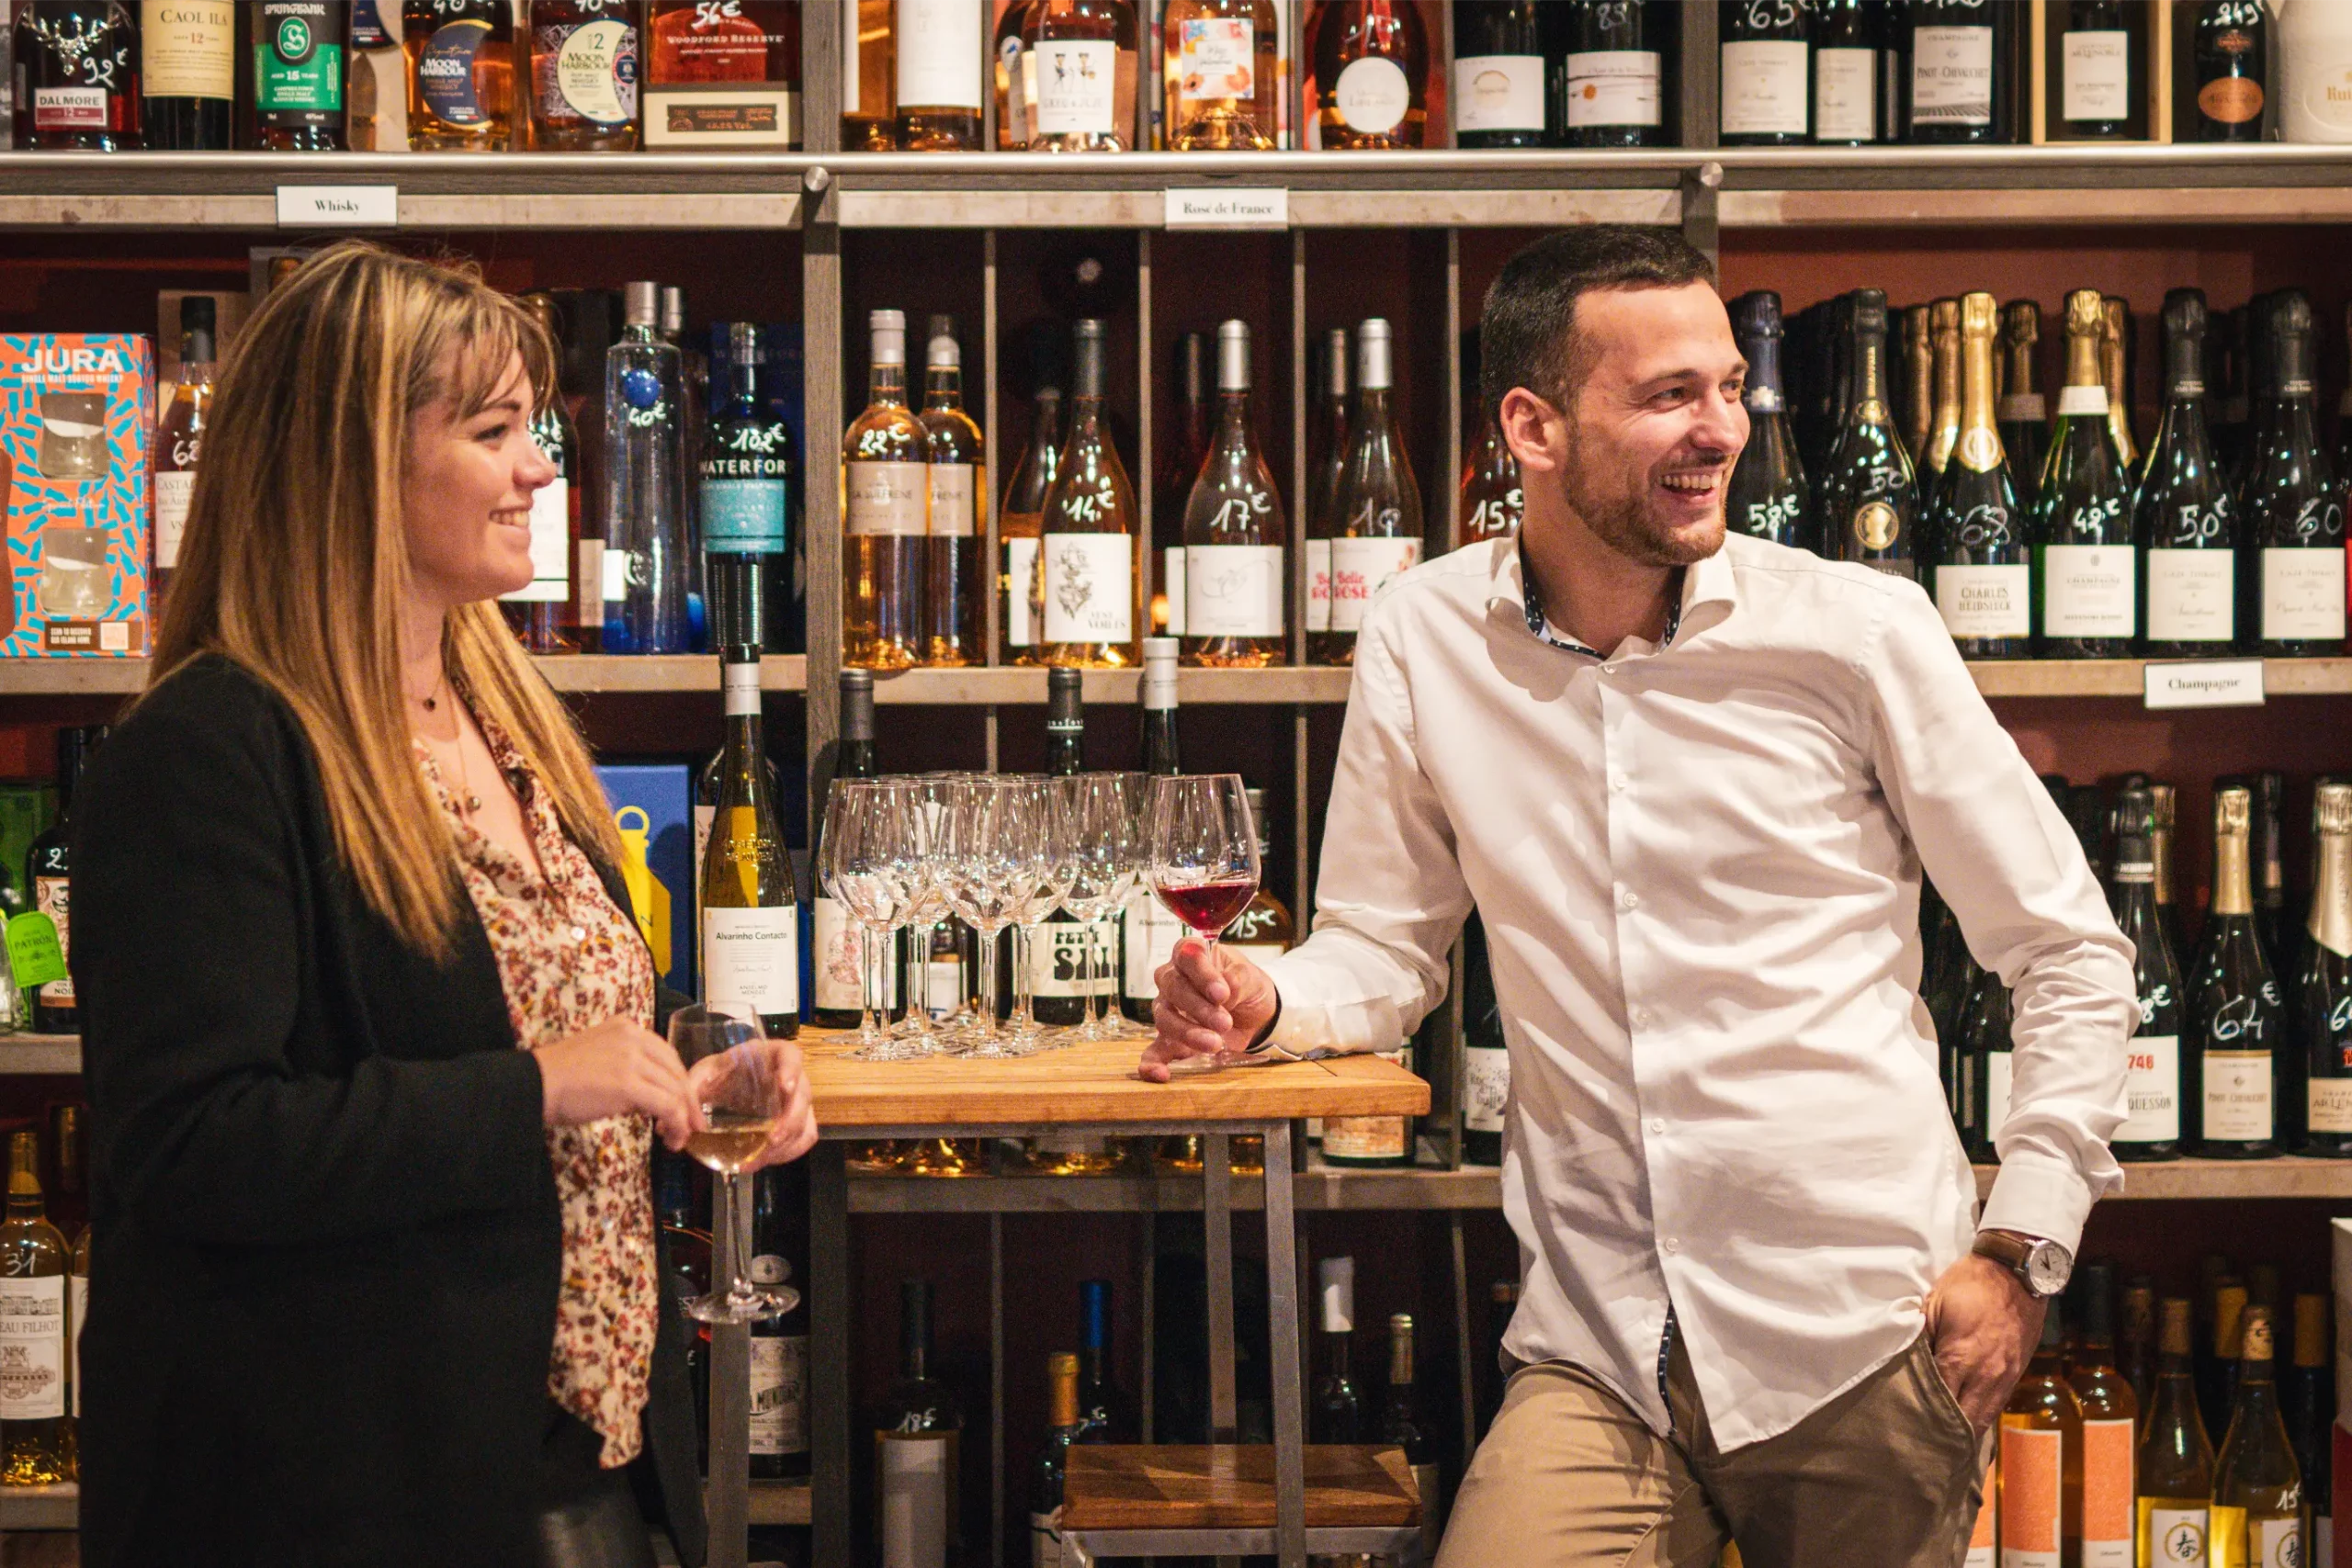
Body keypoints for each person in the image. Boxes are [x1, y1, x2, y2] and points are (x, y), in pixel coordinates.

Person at [1144, 228, 2134, 1567]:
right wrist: (1266, 998)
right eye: (1670, 395)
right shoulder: (1424, 636)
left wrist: (2022, 1251)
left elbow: (2067, 948)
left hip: (1866, 1334)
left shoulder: (1853, 633)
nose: (1721, 428)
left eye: (1729, 387)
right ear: (1533, 426)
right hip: (1602, 1342)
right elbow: (1380, 945)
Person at [73, 241, 818, 1567]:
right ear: (352, 461)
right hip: (341, 1491)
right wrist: (539, 1085)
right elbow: (191, 1144)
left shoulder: (509, 718)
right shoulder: (212, 748)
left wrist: (695, 1070)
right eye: (495, 431)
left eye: (535, 428)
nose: (541, 469)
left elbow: (548, 1020)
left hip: (590, 1469)